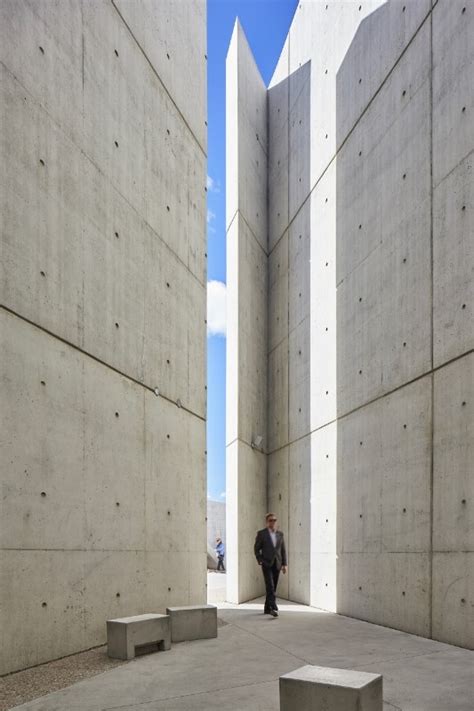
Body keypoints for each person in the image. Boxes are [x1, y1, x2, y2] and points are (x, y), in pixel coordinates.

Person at [254, 513, 287, 617]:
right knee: (270, 586)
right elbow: (256, 548)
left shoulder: (280, 534)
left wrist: (284, 564)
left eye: (274, 520)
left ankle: (267, 608)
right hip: (266, 563)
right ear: (267, 522)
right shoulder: (261, 534)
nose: (272, 522)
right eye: (270, 520)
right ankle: (274, 608)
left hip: (277, 563)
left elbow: (283, 550)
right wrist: (260, 559)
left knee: (273, 587)